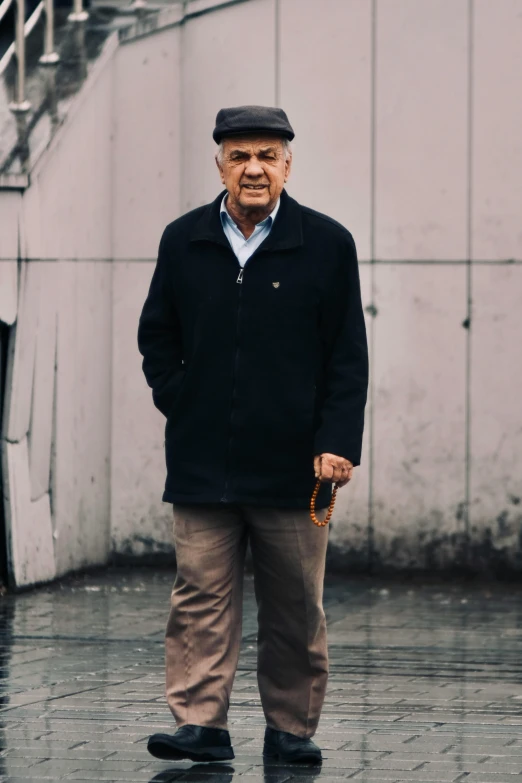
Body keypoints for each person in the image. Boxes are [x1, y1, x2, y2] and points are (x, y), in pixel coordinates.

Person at [137, 105, 369, 765]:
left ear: (288, 164)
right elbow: (158, 336)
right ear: (220, 164)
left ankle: (291, 724)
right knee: (199, 598)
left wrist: (337, 441)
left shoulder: (327, 244)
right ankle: (200, 722)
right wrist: (180, 401)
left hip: (296, 466)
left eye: (267, 155)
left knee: (296, 604)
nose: (254, 168)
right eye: (240, 156)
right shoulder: (184, 240)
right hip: (201, 462)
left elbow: (347, 357)